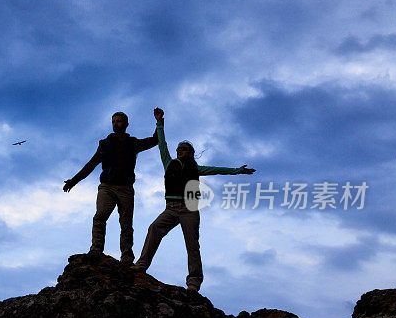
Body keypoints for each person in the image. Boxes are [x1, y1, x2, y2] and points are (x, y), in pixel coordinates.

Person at [134, 108, 255, 292]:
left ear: (190, 153)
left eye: (183, 149)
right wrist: (159, 123)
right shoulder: (169, 163)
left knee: (192, 245)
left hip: (189, 209)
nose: (179, 151)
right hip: (171, 208)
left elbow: (217, 170)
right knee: (154, 229)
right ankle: (141, 265)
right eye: (178, 149)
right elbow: (162, 145)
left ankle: (194, 282)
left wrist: (238, 170)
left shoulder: (195, 168)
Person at [63, 112, 158, 264]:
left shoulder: (132, 143)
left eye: (119, 121)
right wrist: (74, 181)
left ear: (126, 124)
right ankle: (96, 249)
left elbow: (155, 140)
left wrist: (159, 122)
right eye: (113, 121)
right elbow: (91, 164)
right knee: (100, 216)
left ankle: (127, 256)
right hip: (107, 186)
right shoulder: (105, 144)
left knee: (126, 222)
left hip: (126, 188)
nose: (116, 124)